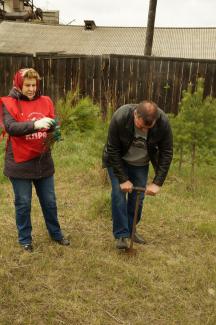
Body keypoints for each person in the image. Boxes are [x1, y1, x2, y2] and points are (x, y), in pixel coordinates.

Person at [0, 68, 70, 252]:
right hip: (19, 162)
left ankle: (56, 233)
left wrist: (54, 131)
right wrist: (35, 124)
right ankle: (25, 239)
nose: (31, 89)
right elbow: (11, 127)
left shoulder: (45, 100)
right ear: (18, 85)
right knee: (23, 202)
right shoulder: (9, 103)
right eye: (27, 85)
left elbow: (52, 122)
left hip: (42, 160)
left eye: (34, 85)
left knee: (49, 201)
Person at [102, 100, 173, 249]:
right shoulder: (120, 116)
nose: (144, 130)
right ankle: (121, 235)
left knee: (138, 199)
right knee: (118, 194)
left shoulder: (163, 122)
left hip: (140, 164)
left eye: (148, 127)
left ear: (155, 121)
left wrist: (157, 183)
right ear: (135, 114)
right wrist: (122, 179)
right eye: (140, 126)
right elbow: (113, 149)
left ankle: (131, 230)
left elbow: (166, 153)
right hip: (118, 161)